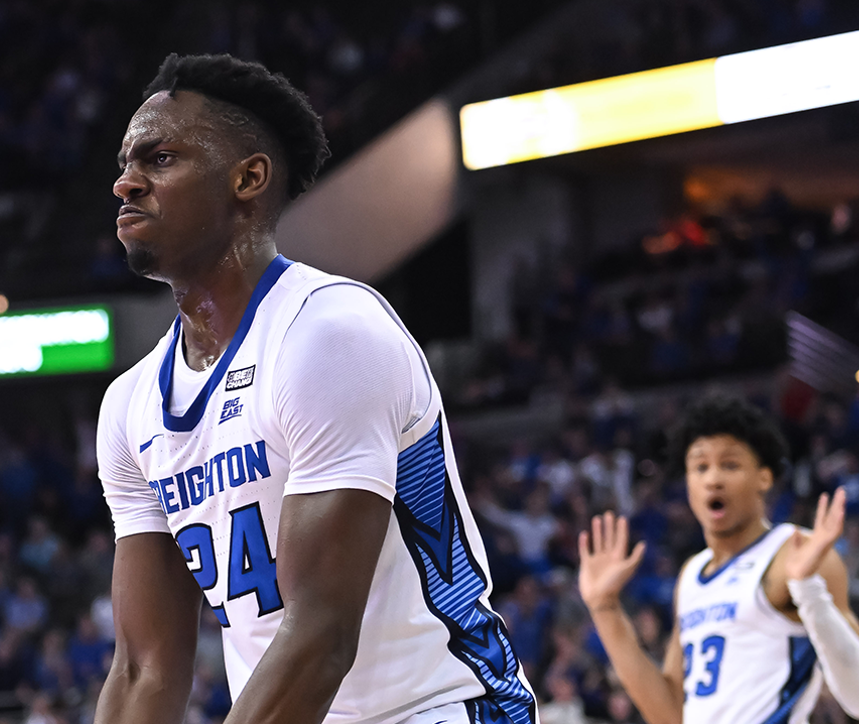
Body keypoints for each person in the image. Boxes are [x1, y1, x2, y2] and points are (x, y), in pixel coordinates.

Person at [95, 53, 538, 724]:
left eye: (158, 160)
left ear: (248, 179)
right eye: (126, 164)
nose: (126, 184)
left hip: (443, 709)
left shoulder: (328, 333)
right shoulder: (130, 405)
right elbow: (143, 669)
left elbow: (321, 631)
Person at [578, 396, 859, 724]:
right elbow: (669, 715)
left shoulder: (794, 553)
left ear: (764, 478)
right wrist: (605, 609)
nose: (713, 479)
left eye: (730, 465)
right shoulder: (692, 574)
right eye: (700, 467)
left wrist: (807, 589)